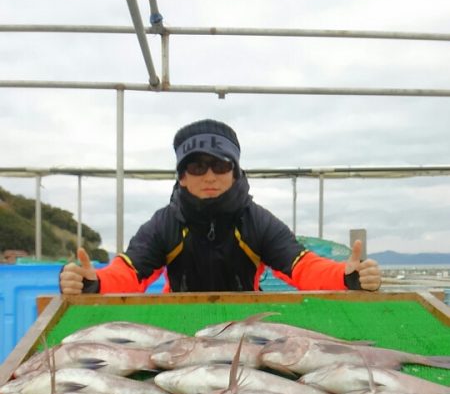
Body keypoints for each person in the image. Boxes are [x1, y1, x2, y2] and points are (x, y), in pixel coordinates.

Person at [59, 118, 381, 295]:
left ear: (235, 171)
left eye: (221, 164)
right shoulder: (164, 223)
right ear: (182, 177)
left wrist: (346, 276)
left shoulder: (258, 221)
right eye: (197, 166)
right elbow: (128, 272)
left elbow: (303, 267)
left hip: (248, 327)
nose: (210, 176)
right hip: (177, 326)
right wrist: (94, 282)